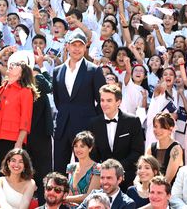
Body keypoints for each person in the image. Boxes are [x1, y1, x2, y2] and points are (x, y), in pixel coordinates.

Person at [53, 30, 105, 174]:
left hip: (85, 127)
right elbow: (59, 100)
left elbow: (102, 101)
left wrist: (93, 124)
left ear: (85, 47)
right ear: (67, 47)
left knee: (85, 169)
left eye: (80, 45)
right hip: (62, 126)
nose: (77, 48)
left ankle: (84, 196)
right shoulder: (57, 71)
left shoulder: (94, 70)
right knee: (59, 168)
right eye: (74, 45)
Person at [0, 51, 38, 175]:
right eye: (11, 63)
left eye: (16, 64)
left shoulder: (25, 91)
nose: (11, 65)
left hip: (14, 140)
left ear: (21, 73)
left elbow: (25, 120)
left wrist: (19, 143)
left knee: (13, 177)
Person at [87, 84, 144, 191]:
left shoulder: (133, 121)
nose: (104, 104)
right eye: (102, 100)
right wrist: (104, 170)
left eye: (109, 100)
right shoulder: (94, 123)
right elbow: (93, 153)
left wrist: (116, 168)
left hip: (127, 178)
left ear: (118, 102)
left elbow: (138, 151)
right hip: (103, 180)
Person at [28, 49, 54, 205]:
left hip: (42, 134)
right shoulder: (20, 84)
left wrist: (39, 67)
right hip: (25, 133)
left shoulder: (40, 84)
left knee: (43, 170)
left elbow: (49, 86)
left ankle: (44, 203)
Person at [65, 131, 101, 208]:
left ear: (90, 148)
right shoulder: (71, 167)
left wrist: (64, 199)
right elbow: (70, 193)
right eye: (75, 146)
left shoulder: (97, 168)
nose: (78, 149)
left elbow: (90, 196)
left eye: (82, 146)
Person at [146, 112, 184, 185]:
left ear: (171, 129)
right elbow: (144, 171)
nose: (158, 130)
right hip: (152, 188)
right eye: (155, 126)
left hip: (169, 190)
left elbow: (167, 180)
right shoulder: (151, 147)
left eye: (162, 127)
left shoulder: (176, 149)